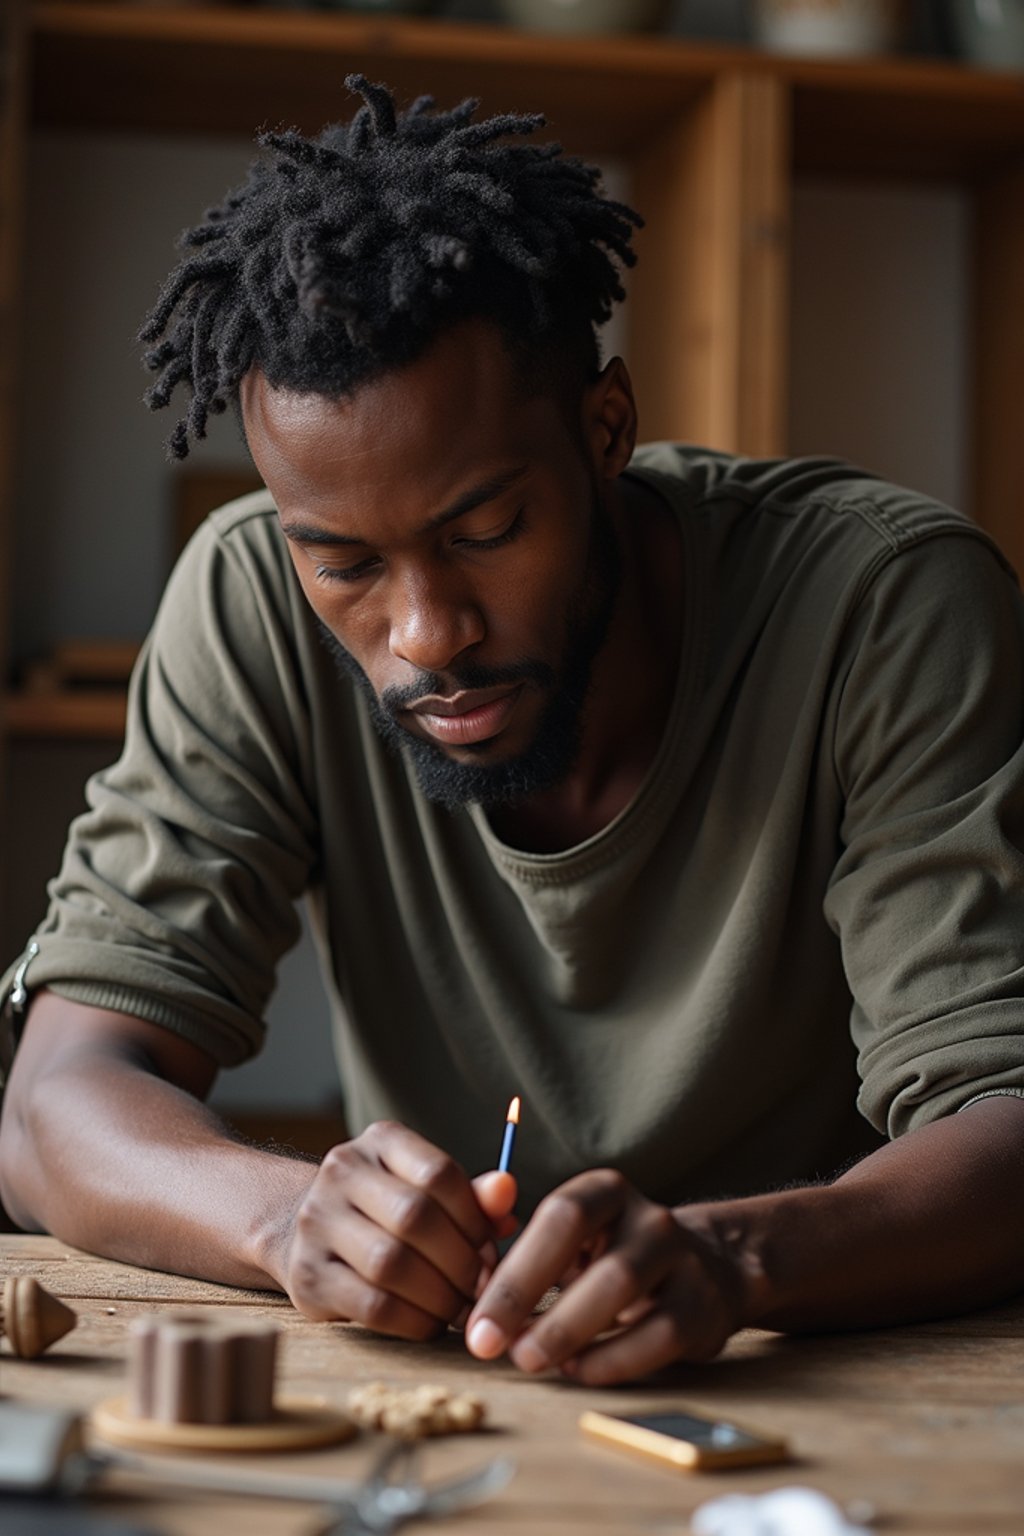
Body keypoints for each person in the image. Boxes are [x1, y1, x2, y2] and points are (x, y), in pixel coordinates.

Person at [2, 74, 1024, 1388]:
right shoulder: (249, 594)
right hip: (436, 1393)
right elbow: (53, 1106)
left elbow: (1004, 1115)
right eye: (347, 566)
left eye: (484, 534)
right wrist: (283, 1218)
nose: (426, 635)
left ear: (607, 431)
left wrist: (736, 1261)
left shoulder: (883, 605)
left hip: (822, 1380)